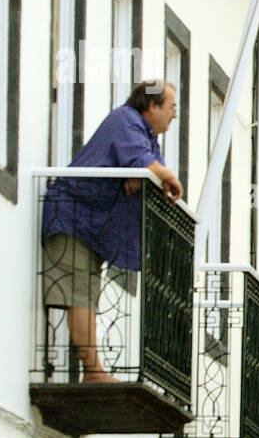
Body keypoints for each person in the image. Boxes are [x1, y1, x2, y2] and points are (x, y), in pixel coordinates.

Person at [41, 81, 183, 382]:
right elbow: (151, 169)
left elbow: (148, 169)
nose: (175, 115)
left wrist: (148, 174)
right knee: (81, 294)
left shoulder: (144, 136)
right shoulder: (125, 120)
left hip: (90, 223)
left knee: (86, 294)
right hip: (72, 217)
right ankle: (93, 371)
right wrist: (161, 174)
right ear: (151, 106)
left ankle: (94, 369)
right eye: (172, 107)